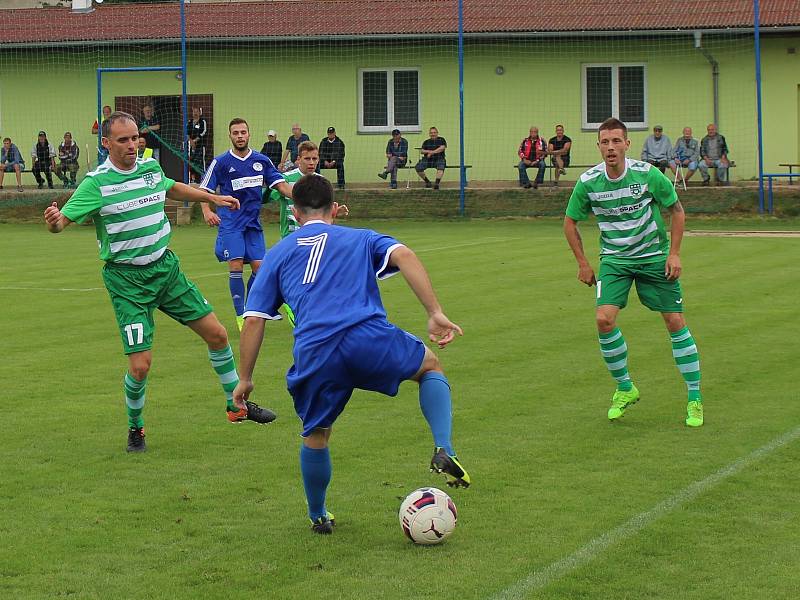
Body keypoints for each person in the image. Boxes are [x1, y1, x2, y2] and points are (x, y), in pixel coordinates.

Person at [233, 174, 471, 535]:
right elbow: (404, 255)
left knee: (316, 433)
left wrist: (246, 379)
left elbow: (253, 320)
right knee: (429, 365)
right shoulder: (360, 237)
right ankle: (444, 447)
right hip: (366, 336)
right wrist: (434, 311)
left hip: (315, 351)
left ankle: (318, 515)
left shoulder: (277, 253)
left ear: (294, 213)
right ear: (334, 208)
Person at [43, 111, 277, 453]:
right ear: (106, 144)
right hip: (127, 281)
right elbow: (61, 223)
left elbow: (172, 188)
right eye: (122, 140)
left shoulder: (150, 169)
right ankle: (135, 428)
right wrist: (52, 221)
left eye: (135, 137)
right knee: (140, 367)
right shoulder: (96, 183)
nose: (131, 145)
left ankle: (235, 405)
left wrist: (210, 197)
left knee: (218, 334)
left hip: (166, 270)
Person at [563, 117, 703, 428]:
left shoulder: (648, 175)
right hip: (615, 260)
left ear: (627, 144)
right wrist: (583, 263)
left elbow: (676, 210)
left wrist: (675, 253)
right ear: (598, 145)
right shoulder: (588, 182)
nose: (610, 147)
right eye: (604, 142)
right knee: (603, 319)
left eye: (616, 141)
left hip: (654, 257)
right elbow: (570, 222)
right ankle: (626, 388)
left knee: (675, 321)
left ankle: (694, 398)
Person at [199, 118, 294, 331]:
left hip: (252, 224)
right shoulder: (221, 162)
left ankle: (251, 307)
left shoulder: (261, 161)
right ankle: (241, 316)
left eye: (243, 132)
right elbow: (204, 190)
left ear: (249, 134)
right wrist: (207, 211)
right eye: (236, 133)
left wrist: (303, 197)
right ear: (230, 136)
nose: (240, 136)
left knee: (260, 269)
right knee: (236, 264)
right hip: (231, 223)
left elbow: (281, 186)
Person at [263, 140, 349, 325]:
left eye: (315, 158)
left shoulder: (322, 182)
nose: (311, 162)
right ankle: (292, 307)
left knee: (317, 279)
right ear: (298, 159)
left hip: (317, 238)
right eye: (307, 158)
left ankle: (311, 313)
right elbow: (269, 197)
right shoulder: (286, 179)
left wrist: (335, 212)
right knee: (296, 278)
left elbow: (325, 213)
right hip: (292, 238)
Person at [187, 106, 208, 183]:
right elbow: (187, 133)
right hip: (191, 146)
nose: (195, 113)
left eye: (197, 111)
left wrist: (195, 141)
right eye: (194, 111)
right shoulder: (189, 121)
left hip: (200, 145)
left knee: (201, 162)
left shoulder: (202, 122)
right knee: (191, 162)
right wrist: (191, 142)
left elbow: (203, 132)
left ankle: (203, 179)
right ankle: (192, 179)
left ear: (200, 113)